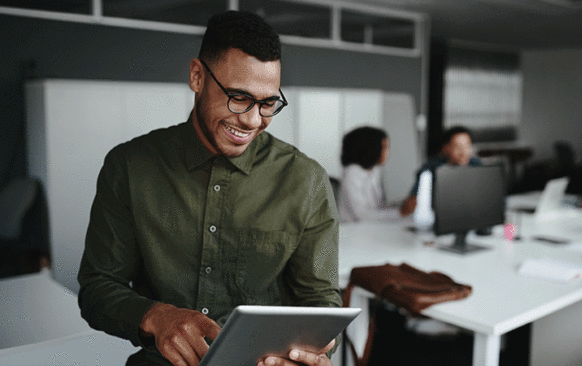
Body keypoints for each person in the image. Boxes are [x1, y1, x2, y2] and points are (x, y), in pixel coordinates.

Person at [77, 11, 341, 366]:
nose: (251, 120)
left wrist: (315, 351)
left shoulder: (306, 180)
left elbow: (322, 303)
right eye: (238, 97)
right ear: (197, 76)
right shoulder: (129, 166)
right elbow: (96, 289)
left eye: (267, 103)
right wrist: (156, 316)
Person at [400, 126, 481, 216]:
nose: (464, 152)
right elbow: (406, 208)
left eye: (467, 146)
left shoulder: (476, 165)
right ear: (445, 148)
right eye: (458, 147)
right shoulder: (431, 169)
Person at [337, 126, 402, 223]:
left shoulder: (372, 171)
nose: (387, 152)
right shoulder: (352, 173)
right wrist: (400, 212)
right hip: (353, 232)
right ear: (370, 148)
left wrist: (400, 205)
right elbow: (362, 215)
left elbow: (376, 208)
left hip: (368, 229)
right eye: (384, 147)